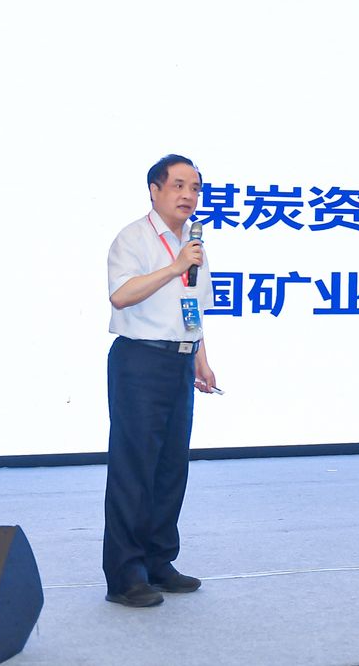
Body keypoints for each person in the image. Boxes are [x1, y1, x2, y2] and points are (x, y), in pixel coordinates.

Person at [102, 154, 219, 607]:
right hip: (140, 361)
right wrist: (173, 267)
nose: (189, 195)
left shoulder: (194, 243)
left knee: (171, 468)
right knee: (134, 469)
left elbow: (193, 305)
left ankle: (158, 562)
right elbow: (121, 295)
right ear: (155, 189)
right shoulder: (133, 238)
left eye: (195, 188)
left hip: (179, 363)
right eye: (179, 186)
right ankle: (125, 575)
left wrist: (200, 358)